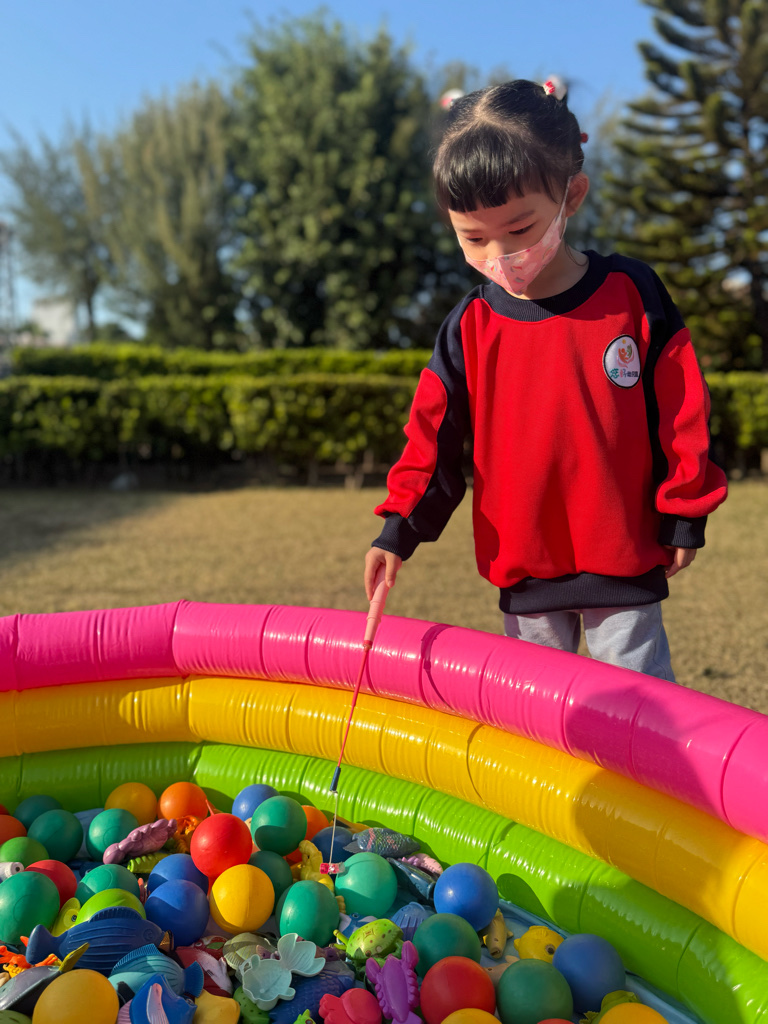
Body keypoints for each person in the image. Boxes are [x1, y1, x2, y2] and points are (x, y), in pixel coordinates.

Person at [363, 77, 728, 681]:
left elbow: (681, 405)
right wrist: (397, 530)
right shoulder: (470, 326)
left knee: (637, 710)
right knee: (536, 715)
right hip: (525, 566)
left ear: (571, 196)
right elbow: (432, 441)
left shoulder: (632, 294)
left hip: (624, 557)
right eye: (473, 238)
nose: (499, 255)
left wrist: (684, 509)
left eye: (520, 230)